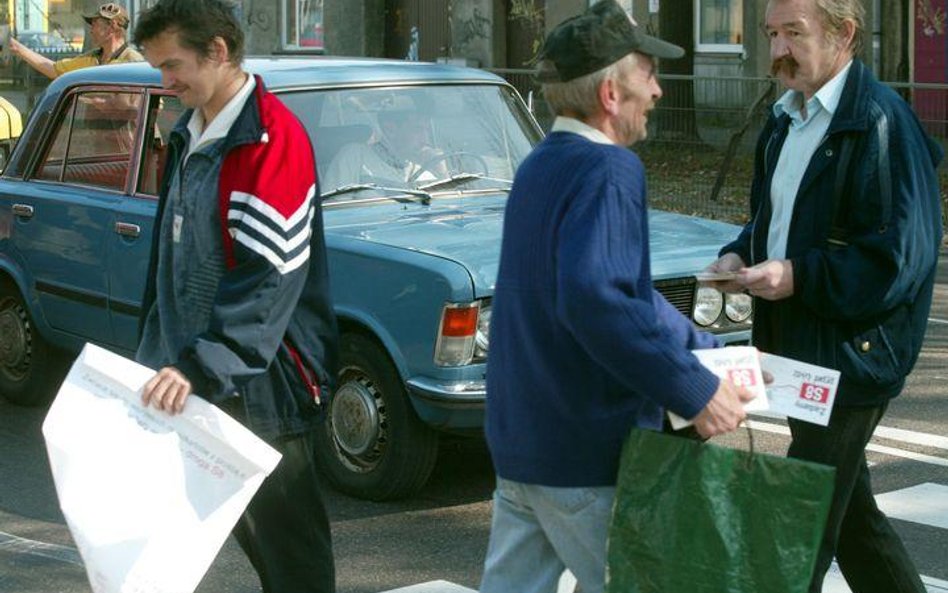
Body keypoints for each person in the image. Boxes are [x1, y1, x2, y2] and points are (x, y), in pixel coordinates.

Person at [479, 2, 755, 592]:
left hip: (524, 441)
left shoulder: (540, 165)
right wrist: (694, 388)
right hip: (589, 453)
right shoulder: (609, 170)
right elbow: (596, 299)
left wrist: (698, 347)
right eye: (648, 75)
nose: (657, 90)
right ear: (610, 93)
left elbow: (618, 290)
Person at [705, 0, 943, 591]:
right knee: (853, 517)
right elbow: (775, 218)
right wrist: (741, 252)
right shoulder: (786, 117)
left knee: (797, 528)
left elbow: (897, 262)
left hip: (855, 357)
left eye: (794, 33)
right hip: (798, 349)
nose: (779, 50)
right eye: (771, 34)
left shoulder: (882, 122)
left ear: (845, 35)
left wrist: (796, 277)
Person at [132, 1, 339, 591]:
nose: (163, 82)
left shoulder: (273, 140)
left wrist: (202, 363)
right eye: (157, 68)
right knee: (166, 541)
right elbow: (170, 260)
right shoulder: (191, 128)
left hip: (260, 387)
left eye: (172, 66)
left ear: (218, 52)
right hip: (191, 375)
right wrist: (158, 351)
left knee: (289, 553)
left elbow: (269, 277)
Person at [322, 96, 447, 191]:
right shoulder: (355, 157)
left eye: (427, 130)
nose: (426, 140)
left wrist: (441, 173)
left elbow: (446, 215)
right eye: (417, 130)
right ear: (390, 130)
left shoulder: (424, 171)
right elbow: (333, 213)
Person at [8, 3, 142, 79]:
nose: (91, 30)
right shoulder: (91, 59)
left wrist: (107, 102)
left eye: (95, 24)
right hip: (97, 129)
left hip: (129, 129)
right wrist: (18, 49)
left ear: (111, 28)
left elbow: (152, 106)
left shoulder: (134, 62)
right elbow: (55, 70)